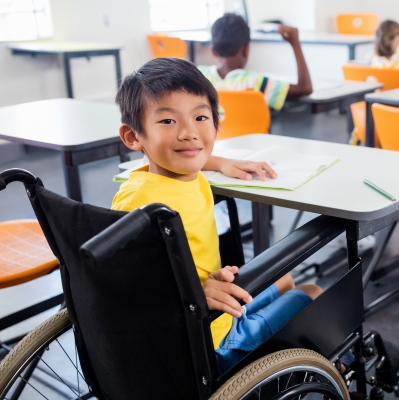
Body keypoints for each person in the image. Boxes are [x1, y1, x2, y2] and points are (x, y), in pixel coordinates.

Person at [112, 57, 322, 373]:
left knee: (285, 278)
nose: (189, 133)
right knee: (313, 292)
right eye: (168, 121)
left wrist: (220, 162)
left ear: (215, 122)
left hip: (211, 306)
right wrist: (191, 295)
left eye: (200, 117)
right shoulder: (139, 205)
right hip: (208, 339)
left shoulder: (169, 175)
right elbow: (122, 287)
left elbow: (191, 153)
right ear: (133, 137)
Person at [198, 13, 313, 111]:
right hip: (251, 138)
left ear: (213, 51)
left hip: (219, 138)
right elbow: (305, 88)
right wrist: (295, 43)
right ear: (246, 49)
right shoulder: (256, 82)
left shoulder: (200, 78)